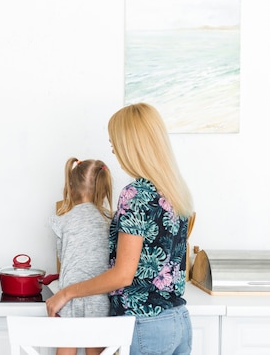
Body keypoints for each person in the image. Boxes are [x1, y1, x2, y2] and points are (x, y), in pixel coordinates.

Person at [46, 103, 194, 355]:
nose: (113, 150)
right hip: (178, 321)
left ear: (132, 145)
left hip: (144, 325)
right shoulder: (175, 191)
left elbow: (123, 275)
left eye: (115, 142)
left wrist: (66, 292)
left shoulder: (135, 195)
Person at [50, 157, 114, 355]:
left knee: (66, 346)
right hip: (99, 297)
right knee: (95, 350)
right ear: (103, 190)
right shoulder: (111, 220)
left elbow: (62, 256)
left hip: (67, 297)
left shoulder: (61, 220)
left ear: (70, 186)